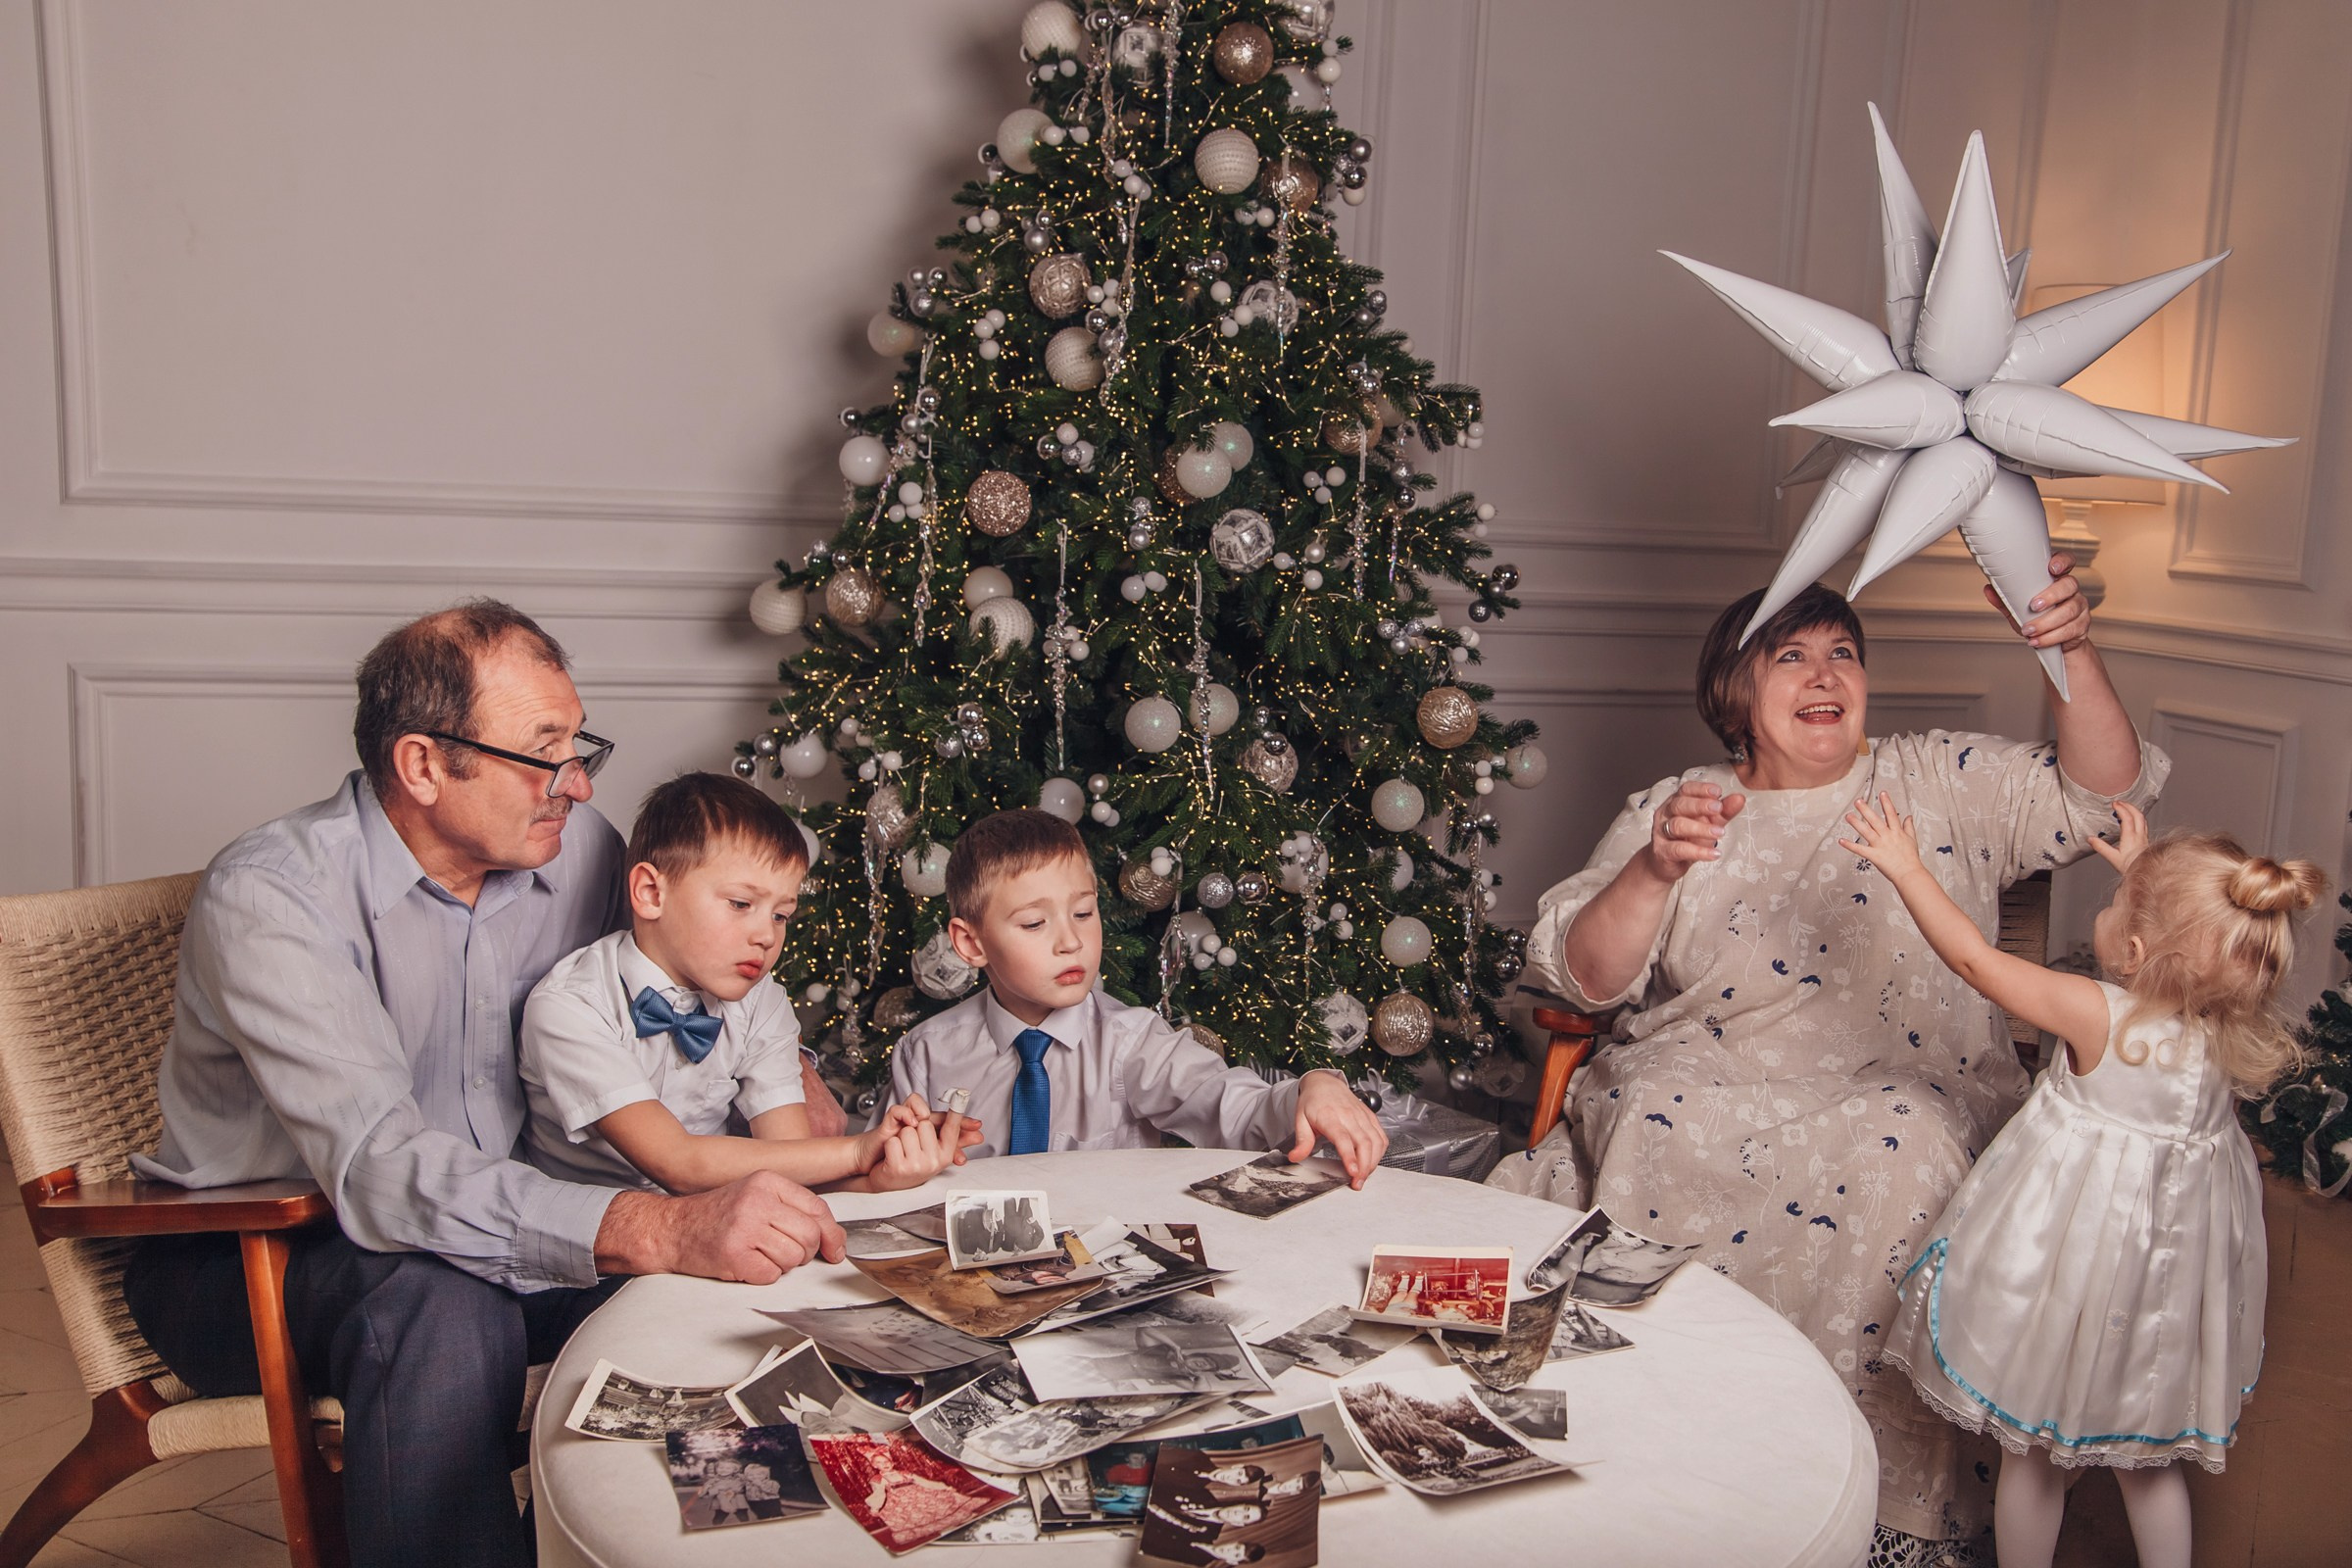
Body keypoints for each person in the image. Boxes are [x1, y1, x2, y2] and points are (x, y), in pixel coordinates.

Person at [119, 601, 850, 1568]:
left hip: (504, 1230)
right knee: (444, 1304)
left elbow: (696, 970)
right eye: (545, 753)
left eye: (580, 744)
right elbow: (382, 1173)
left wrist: (788, 1089)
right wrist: (654, 1224)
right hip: (262, 1258)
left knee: (726, 1281)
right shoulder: (273, 895)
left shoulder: (579, 852)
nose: (580, 784)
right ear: (423, 765)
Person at [1487, 561, 2167, 1560]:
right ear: (1736, 693)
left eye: (1841, 652)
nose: (1824, 673)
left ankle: (1878, 1514)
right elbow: (1584, 982)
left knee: (1901, 1150)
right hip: (1698, 1078)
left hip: (1905, 1082)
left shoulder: (1933, 778)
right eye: (1790, 655)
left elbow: (2102, 797)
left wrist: (2067, 649)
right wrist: (1654, 867)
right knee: (1653, 1117)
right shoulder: (1680, 805)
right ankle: (1666, 1458)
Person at [1842, 796, 2321, 1568]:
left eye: (2114, 907)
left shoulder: (2098, 1011)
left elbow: (1975, 962)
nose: (2103, 915)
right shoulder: (2217, 1023)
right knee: (2151, 1464)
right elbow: (2183, 948)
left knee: (2032, 1456)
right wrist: (2147, 877)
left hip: (2076, 1276)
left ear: (2134, 952)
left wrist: (1908, 869)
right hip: (2161, 1290)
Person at [519, 770, 976, 1195]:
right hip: (592, 1253)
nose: (766, 935)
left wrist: (882, 1172)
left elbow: (789, 1163)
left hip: (720, 1221)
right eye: (741, 904)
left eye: (781, 915)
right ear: (651, 893)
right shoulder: (571, 1006)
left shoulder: (761, 1001)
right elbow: (677, 1161)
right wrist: (858, 1149)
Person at [885, 808, 1387, 1181]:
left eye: (1083, 913)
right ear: (971, 943)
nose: (1070, 940)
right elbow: (879, 1170)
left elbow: (1234, 1110)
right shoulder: (926, 1054)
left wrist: (1313, 1087)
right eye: (1035, 922)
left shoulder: (1131, 1040)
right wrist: (900, 1168)